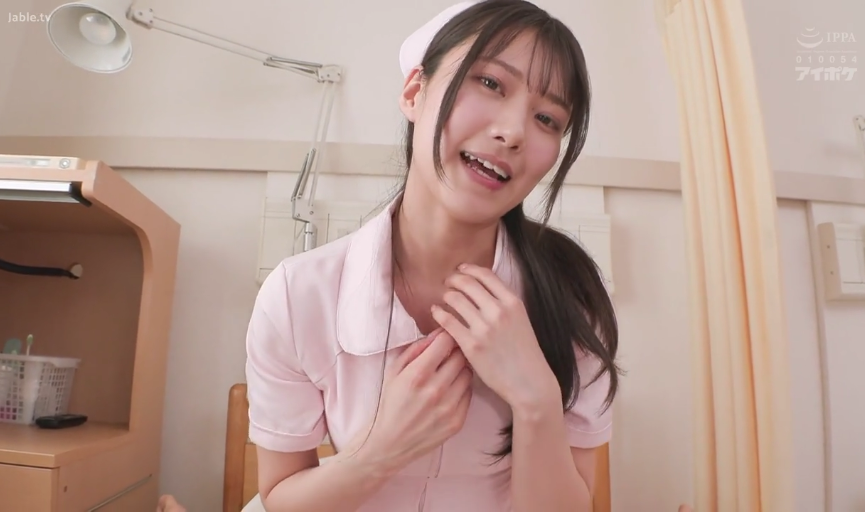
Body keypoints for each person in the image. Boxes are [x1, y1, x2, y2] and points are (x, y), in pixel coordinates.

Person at [243, 1, 621, 511]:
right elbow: (279, 497)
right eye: (490, 83)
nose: (513, 132)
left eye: (547, 118)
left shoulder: (572, 295)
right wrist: (379, 454)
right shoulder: (298, 294)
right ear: (414, 92)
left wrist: (536, 400)